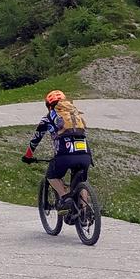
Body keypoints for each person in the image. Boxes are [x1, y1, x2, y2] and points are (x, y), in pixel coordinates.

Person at [22, 90, 92, 220]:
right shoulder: (75, 115)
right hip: (85, 154)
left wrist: (27, 156)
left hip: (64, 155)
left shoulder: (47, 118)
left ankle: (65, 198)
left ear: (48, 106)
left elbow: (35, 140)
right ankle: (84, 211)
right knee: (81, 180)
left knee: (51, 176)